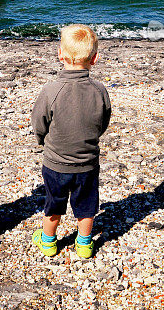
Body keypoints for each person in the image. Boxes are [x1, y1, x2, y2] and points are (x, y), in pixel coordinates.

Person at [31, 24, 110, 259]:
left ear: (60, 54)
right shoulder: (100, 90)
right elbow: (102, 121)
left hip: (55, 162)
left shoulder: (51, 90)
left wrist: (41, 141)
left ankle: (48, 243)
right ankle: (84, 244)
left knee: (53, 204)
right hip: (87, 162)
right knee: (86, 206)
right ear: (94, 58)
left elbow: (39, 122)